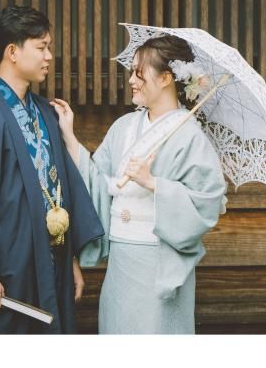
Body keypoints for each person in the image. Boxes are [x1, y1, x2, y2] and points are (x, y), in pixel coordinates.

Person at [0, 4, 104, 334]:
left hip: (51, 262)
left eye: (49, 48)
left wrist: (71, 258)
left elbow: (64, 188)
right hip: (6, 266)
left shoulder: (46, 112)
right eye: (42, 48)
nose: (49, 57)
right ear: (12, 52)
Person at [50, 34, 227, 334]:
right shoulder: (124, 127)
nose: (131, 80)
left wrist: (154, 183)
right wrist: (70, 137)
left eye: (139, 73)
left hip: (158, 260)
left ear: (166, 78)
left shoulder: (190, 136)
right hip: (122, 257)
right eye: (131, 71)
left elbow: (208, 201)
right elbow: (96, 180)